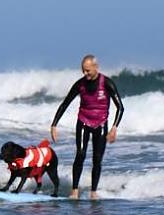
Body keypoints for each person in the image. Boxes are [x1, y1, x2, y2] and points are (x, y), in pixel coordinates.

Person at [50, 54, 124, 200]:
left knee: (97, 159)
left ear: (96, 68)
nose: (85, 74)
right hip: (83, 121)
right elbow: (65, 104)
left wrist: (114, 127)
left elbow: (120, 108)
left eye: (88, 70)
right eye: (83, 70)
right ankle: (75, 191)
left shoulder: (107, 83)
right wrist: (54, 124)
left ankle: (93, 192)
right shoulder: (80, 84)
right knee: (81, 154)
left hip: (101, 123)